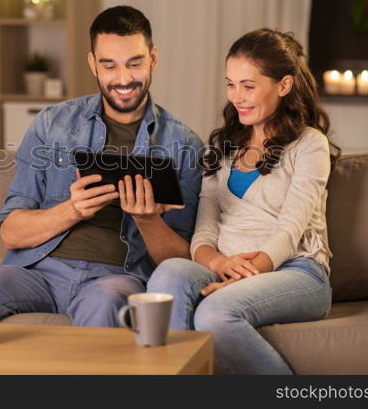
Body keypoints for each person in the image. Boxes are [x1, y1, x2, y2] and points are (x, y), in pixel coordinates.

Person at [0, 6, 204, 351]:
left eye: (134, 63)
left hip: (116, 278)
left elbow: (180, 261)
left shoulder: (183, 145)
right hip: (38, 273)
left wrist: (147, 219)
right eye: (109, 65)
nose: (123, 78)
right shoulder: (52, 123)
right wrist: (73, 209)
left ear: (153, 59)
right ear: (92, 64)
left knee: (104, 305)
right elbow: (11, 232)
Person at [146, 28, 342, 374]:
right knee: (167, 276)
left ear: (283, 85)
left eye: (248, 86)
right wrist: (218, 262)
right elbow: (205, 228)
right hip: (227, 265)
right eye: (230, 84)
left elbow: (290, 227)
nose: (237, 97)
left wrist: (249, 274)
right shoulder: (221, 147)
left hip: (297, 271)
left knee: (215, 313)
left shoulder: (310, 145)